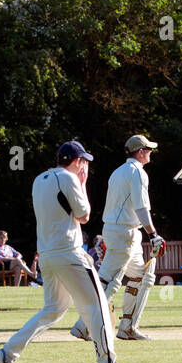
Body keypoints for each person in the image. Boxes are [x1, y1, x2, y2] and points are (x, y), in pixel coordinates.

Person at [0, 140, 133, 363]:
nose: (85, 167)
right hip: (69, 253)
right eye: (84, 163)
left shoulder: (38, 180)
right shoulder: (69, 179)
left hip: (47, 255)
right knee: (98, 307)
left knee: (53, 310)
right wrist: (83, 183)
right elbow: (84, 215)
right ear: (77, 162)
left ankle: (7, 354)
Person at [68, 134, 165, 341]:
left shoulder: (118, 172)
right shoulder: (137, 173)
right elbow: (141, 207)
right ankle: (84, 325)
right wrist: (154, 234)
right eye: (148, 149)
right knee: (109, 282)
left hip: (120, 231)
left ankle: (127, 326)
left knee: (143, 274)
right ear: (140, 152)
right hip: (124, 233)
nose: (150, 153)